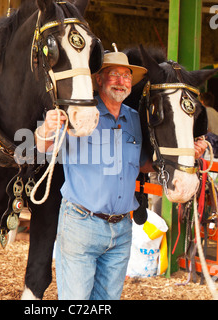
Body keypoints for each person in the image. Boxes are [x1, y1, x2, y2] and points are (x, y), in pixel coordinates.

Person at [35, 49, 207, 300]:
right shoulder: (80, 115)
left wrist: (188, 155)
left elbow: (141, 164)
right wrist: (45, 129)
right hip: (81, 225)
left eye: (126, 76)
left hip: (122, 230)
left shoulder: (135, 119)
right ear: (98, 80)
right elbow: (41, 148)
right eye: (113, 74)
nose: (121, 81)